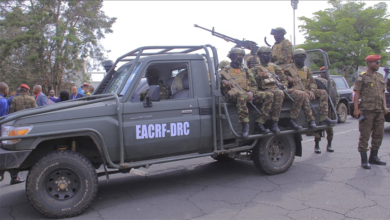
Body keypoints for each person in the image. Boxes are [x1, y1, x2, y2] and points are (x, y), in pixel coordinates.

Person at [220, 47, 274, 138]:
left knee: (269, 95)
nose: (240, 58)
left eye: (242, 56)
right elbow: (216, 86)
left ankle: (260, 122)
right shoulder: (224, 71)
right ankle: (245, 125)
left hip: (246, 93)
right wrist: (223, 82)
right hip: (232, 95)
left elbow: (254, 84)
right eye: (239, 56)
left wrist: (252, 92)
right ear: (232, 57)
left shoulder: (246, 70)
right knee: (241, 95)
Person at [284, 49, 337, 128]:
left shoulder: (306, 70)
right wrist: (288, 78)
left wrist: (312, 90)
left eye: (302, 57)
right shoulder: (289, 69)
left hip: (306, 89)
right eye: (297, 57)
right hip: (295, 91)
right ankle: (310, 120)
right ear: (294, 58)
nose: (300, 59)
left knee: (323, 92)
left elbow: (312, 82)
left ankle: (323, 118)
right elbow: (281, 78)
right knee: (303, 95)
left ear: (304, 58)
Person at [353, 55, 387, 169]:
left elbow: (382, 93)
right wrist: (356, 109)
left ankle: (374, 157)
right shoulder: (362, 77)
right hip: (367, 110)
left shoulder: (380, 77)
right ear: (369, 64)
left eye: (379, 62)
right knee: (365, 135)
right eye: (376, 62)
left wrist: (385, 107)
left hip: (379, 110)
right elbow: (357, 93)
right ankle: (364, 160)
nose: (378, 64)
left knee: (379, 134)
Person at [250, 46, 287, 133]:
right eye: (265, 54)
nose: (267, 56)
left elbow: (283, 79)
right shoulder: (255, 69)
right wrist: (259, 76)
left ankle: (275, 122)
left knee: (279, 93)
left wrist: (283, 86)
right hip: (263, 90)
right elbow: (251, 83)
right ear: (260, 56)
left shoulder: (275, 67)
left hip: (276, 88)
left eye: (269, 54)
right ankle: (262, 122)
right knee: (277, 93)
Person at [0, 82, 26, 185]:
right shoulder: (3, 101)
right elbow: (3, 118)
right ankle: (14, 177)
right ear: (5, 90)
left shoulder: (9, 100)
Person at [313, 66, 340, 153]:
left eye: (326, 72)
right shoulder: (317, 81)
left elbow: (335, 94)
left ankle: (329, 144)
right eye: (323, 72)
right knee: (317, 128)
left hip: (330, 106)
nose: (324, 74)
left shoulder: (331, 82)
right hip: (320, 107)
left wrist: (334, 106)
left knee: (330, 128)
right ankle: (317, 145)